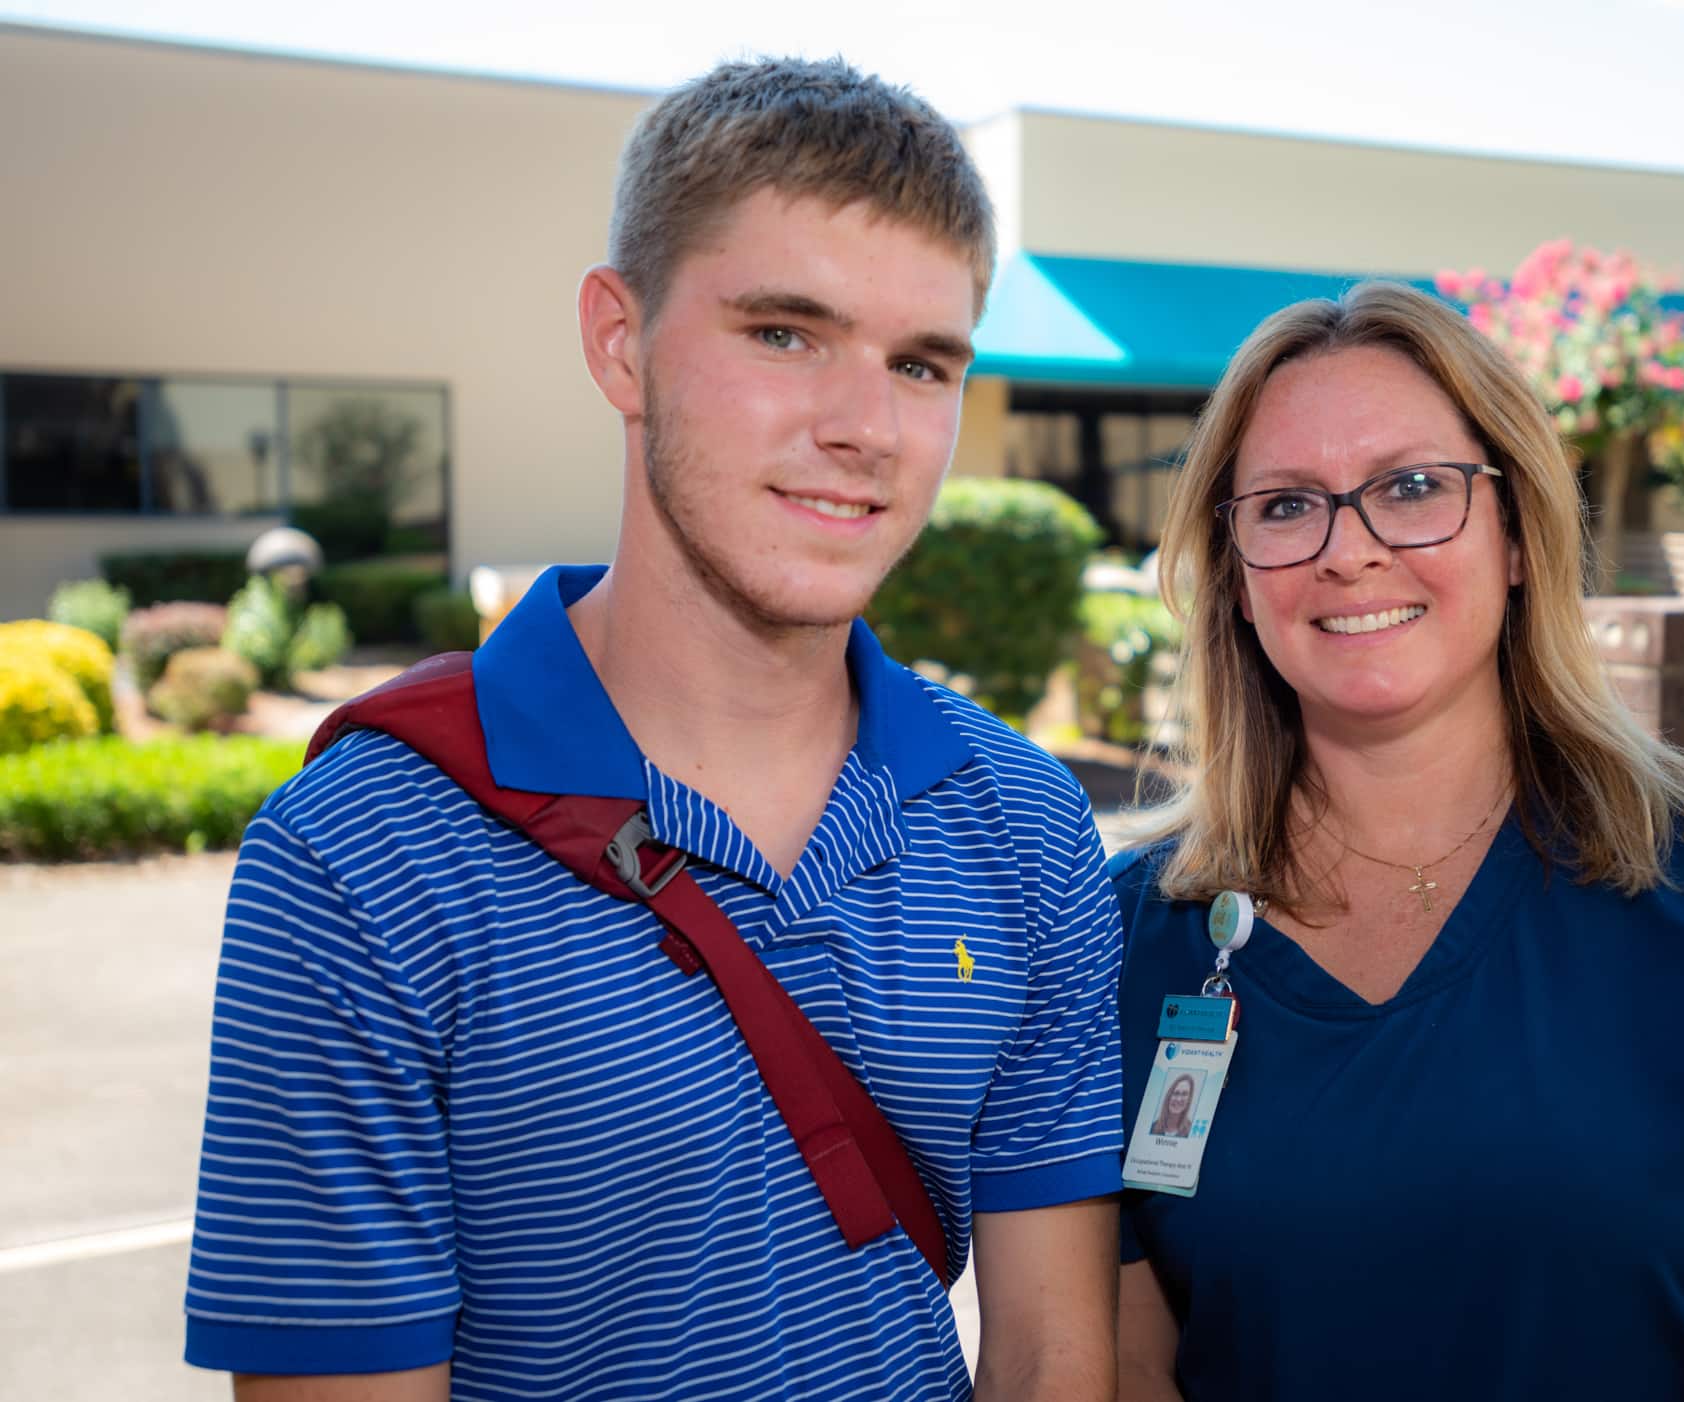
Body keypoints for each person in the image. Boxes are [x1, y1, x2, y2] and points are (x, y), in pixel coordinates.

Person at [183, 58, 1122, 1402]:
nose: (865, 427)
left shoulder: (1023, 825)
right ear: (620, 343)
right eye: (785, 333)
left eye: (921, 363)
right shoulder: (361, 858)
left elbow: (1049, 1362)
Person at [1109, 281, 1684, 1401]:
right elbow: (1114, 1370)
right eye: (1289, 505)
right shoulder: (1119, 935)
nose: (1349, 551)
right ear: (1238, 576)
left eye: (1411, 488)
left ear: (1514, 536)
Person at [1147, 1073, 1200, 1138]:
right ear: (1168, 1096)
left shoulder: (1192, 1132)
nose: (1179, 1099)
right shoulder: (1152, 1128)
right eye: (1175, 1093)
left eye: (1184, 1094)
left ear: (1189, 1099)